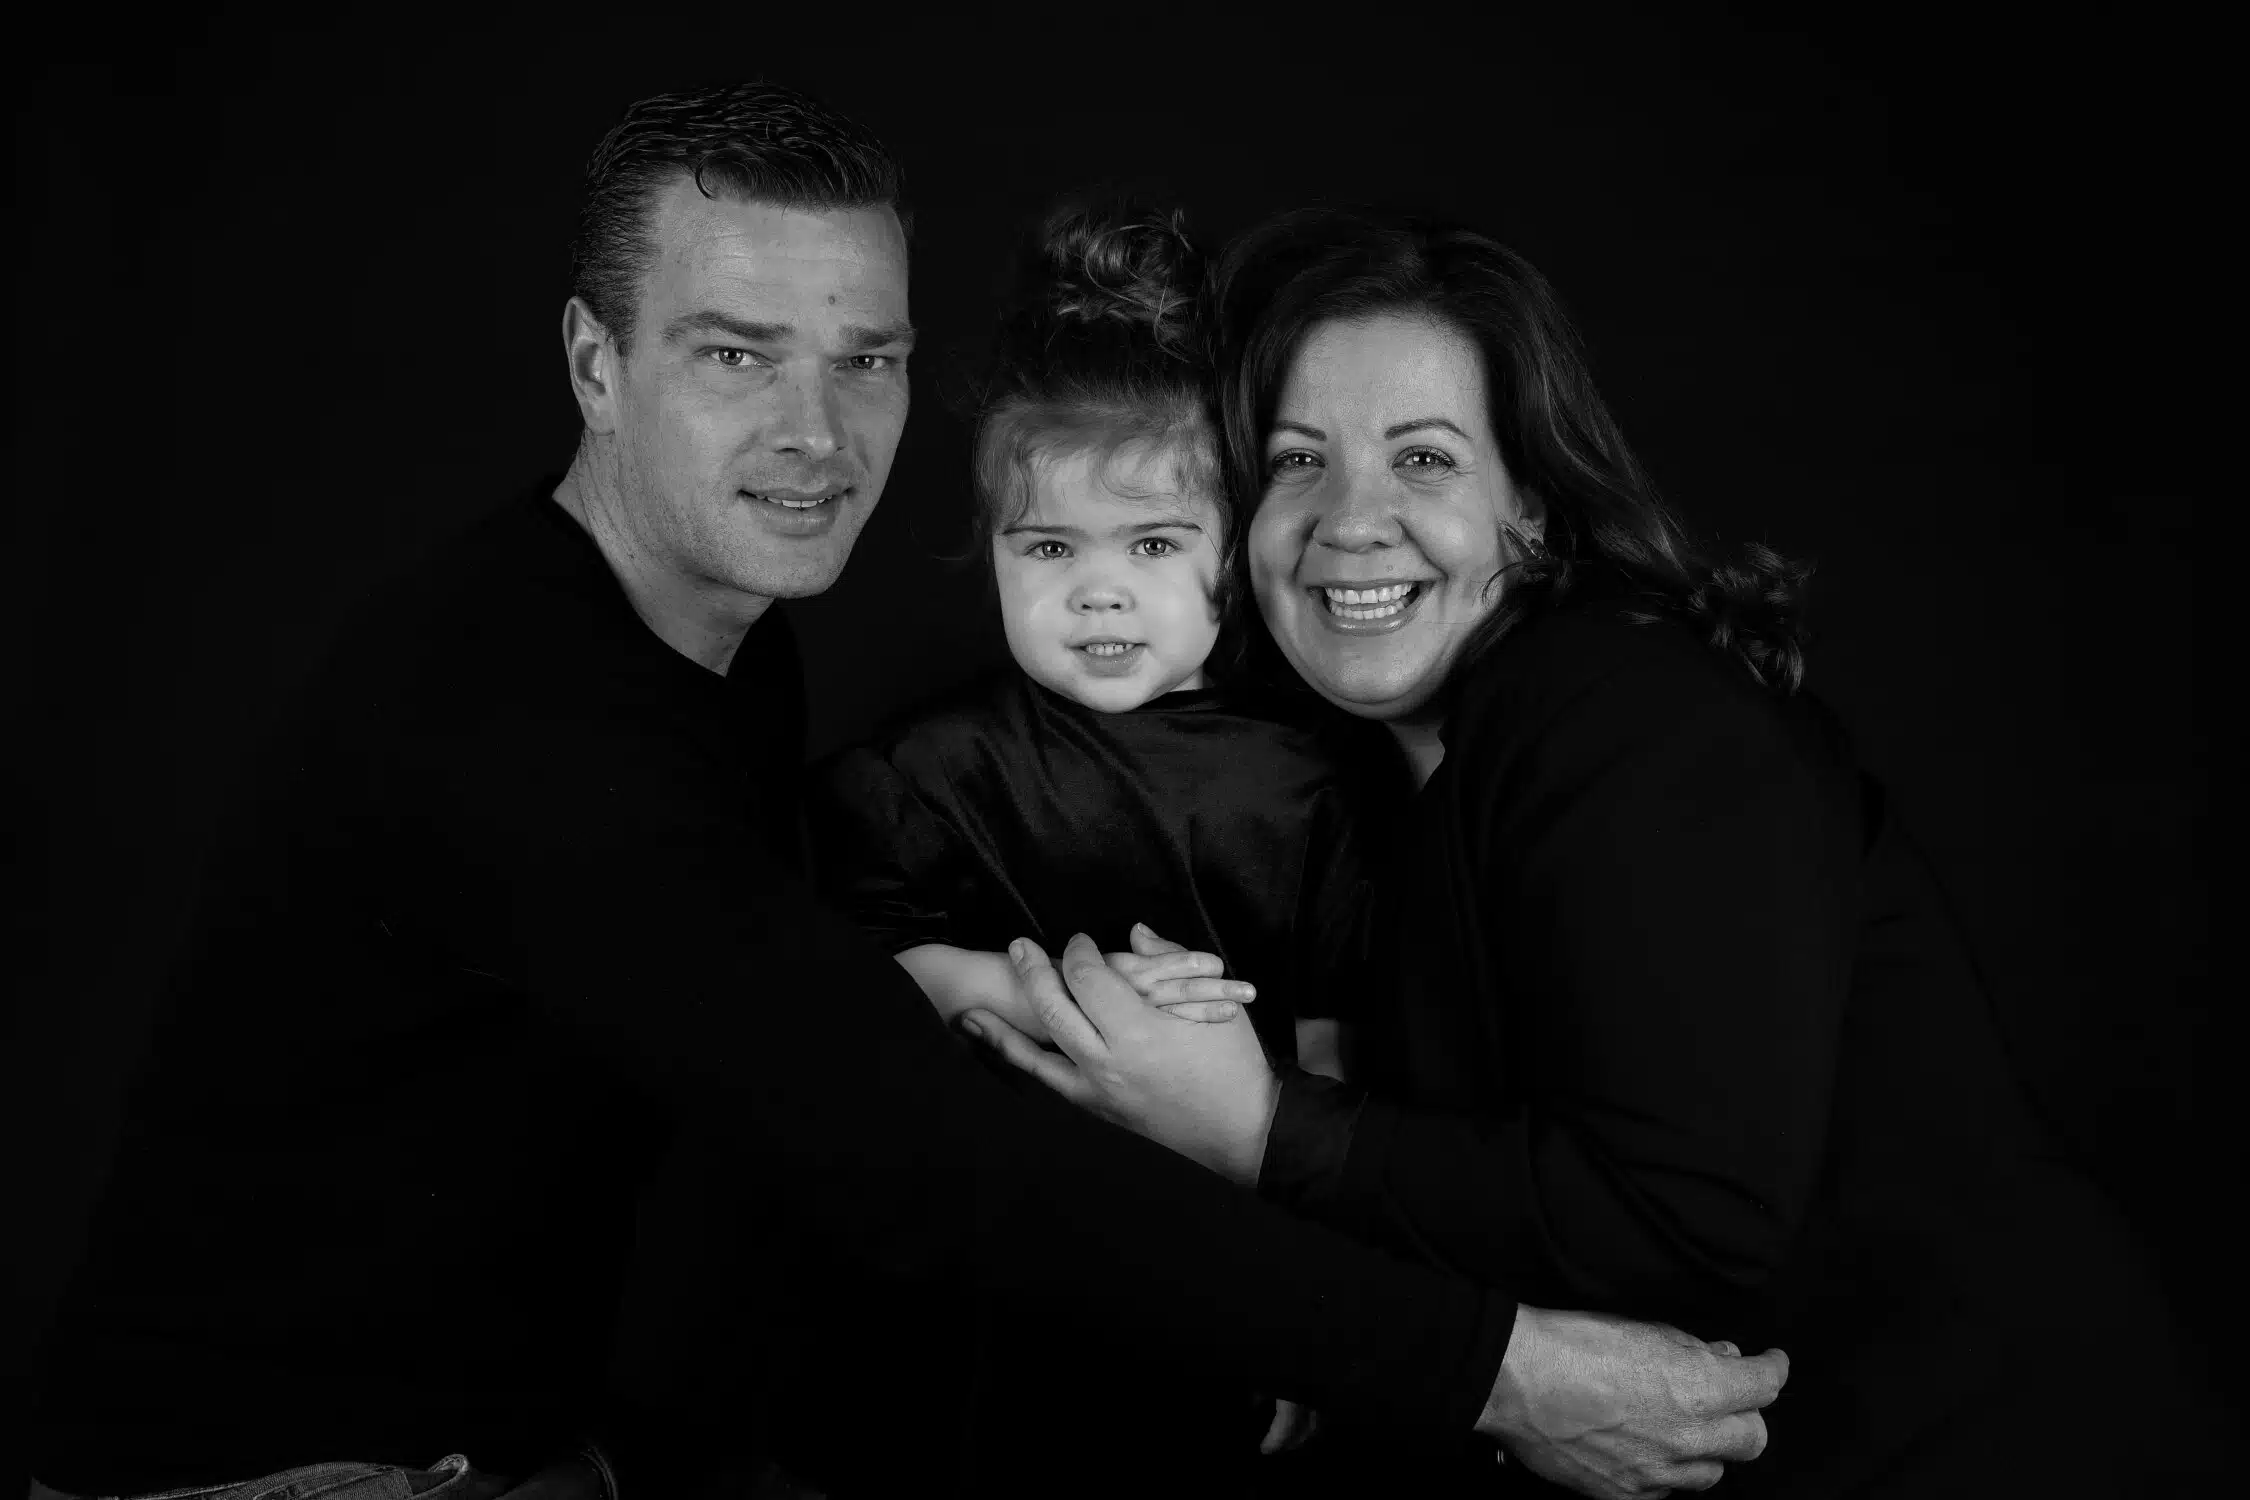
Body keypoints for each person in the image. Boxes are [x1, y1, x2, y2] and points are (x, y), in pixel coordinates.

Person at [28, 91, 1789, 1500]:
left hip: (535, 1441)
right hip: (295, 1474)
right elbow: (919, 1161)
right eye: (733, 354)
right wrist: (1499, 1373)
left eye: (863, 357)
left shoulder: (721, 646)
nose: (816, 430)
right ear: (593, 365)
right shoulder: (518, 715)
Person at [965, 209, 2202, 1495]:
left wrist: (1263, 1128)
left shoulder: (1635, 716)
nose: (1350, 521)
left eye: (1425, 460)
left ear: (1539, 507)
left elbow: (1683, 1221)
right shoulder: (1363, 779)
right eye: (1296, 462)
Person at [808, 199, 1386, 1491]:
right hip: (989, 1281)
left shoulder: (1310, 785)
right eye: (1051, 546)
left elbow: (1331, 1067)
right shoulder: (927, 773)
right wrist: (1056, 1001)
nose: (1099, 588)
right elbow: (850, 987)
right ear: (992, 553)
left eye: (1155, 543)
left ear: (1234, 553)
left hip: (1217, 1267)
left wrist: (1324, 1314)